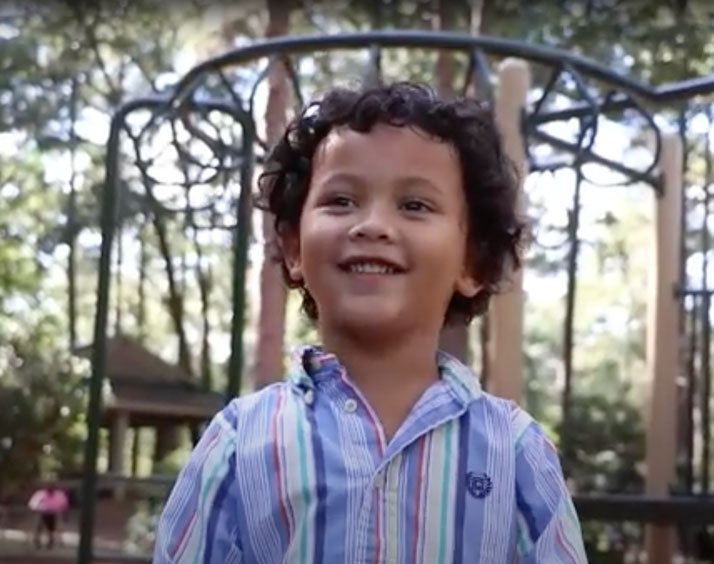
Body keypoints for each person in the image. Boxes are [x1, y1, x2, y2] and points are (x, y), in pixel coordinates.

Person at [154, 82, 587, 563]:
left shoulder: (517, 454)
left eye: (415, 205)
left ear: (473, 263)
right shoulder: (238, 445)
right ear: (295, 248)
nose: (373, 225)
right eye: (341, 201)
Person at [28, 484, 68, 549]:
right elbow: (33, 503)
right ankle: (37, 541)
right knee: (39, 528)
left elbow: (64, 504)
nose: (50, 492)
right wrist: (36, 508)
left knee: (51, 529)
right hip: (42, 513)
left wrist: (64, 513)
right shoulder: (41, 494)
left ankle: (50, 541)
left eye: (52, 490)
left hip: (53, 513)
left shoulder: (59, 495)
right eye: (49, 491)